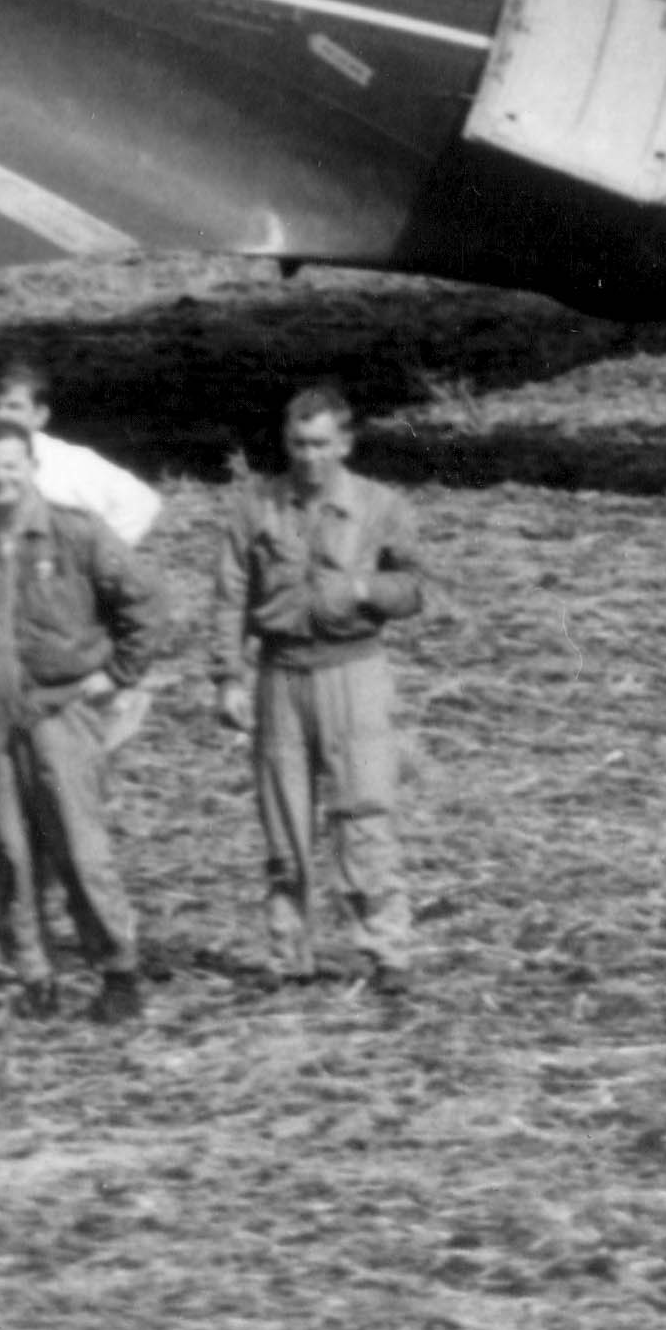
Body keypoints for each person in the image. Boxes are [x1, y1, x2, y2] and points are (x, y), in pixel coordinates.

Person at [0, 426, 165, 1022]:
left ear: (32, 464)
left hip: (58, 711)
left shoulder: (74, 534)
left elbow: (145, 600)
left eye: (9, 465)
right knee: (8, 851)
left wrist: (118, 674)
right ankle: (34, 974)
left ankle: (116, 971)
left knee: (80, 847)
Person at [0, 358, 165, 892]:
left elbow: (143, 503)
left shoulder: (71, 466)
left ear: (40, 415)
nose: (4, 415)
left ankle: (56, 863)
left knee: (55, 754)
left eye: (16, 406)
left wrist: (85, 569)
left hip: (49, 625)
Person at [222, 384, 430, 999]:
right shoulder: (255, 505)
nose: (308, 457)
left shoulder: (380, 506)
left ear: (343, 443)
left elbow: (417, 587)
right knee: (283, 827)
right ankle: (289, 953)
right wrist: (227, 676)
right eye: (297, 444)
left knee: (364, 814)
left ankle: (387, 950)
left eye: (320, 444)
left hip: (354, 672)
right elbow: (231, 592)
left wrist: (366, 589)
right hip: (280, 674)